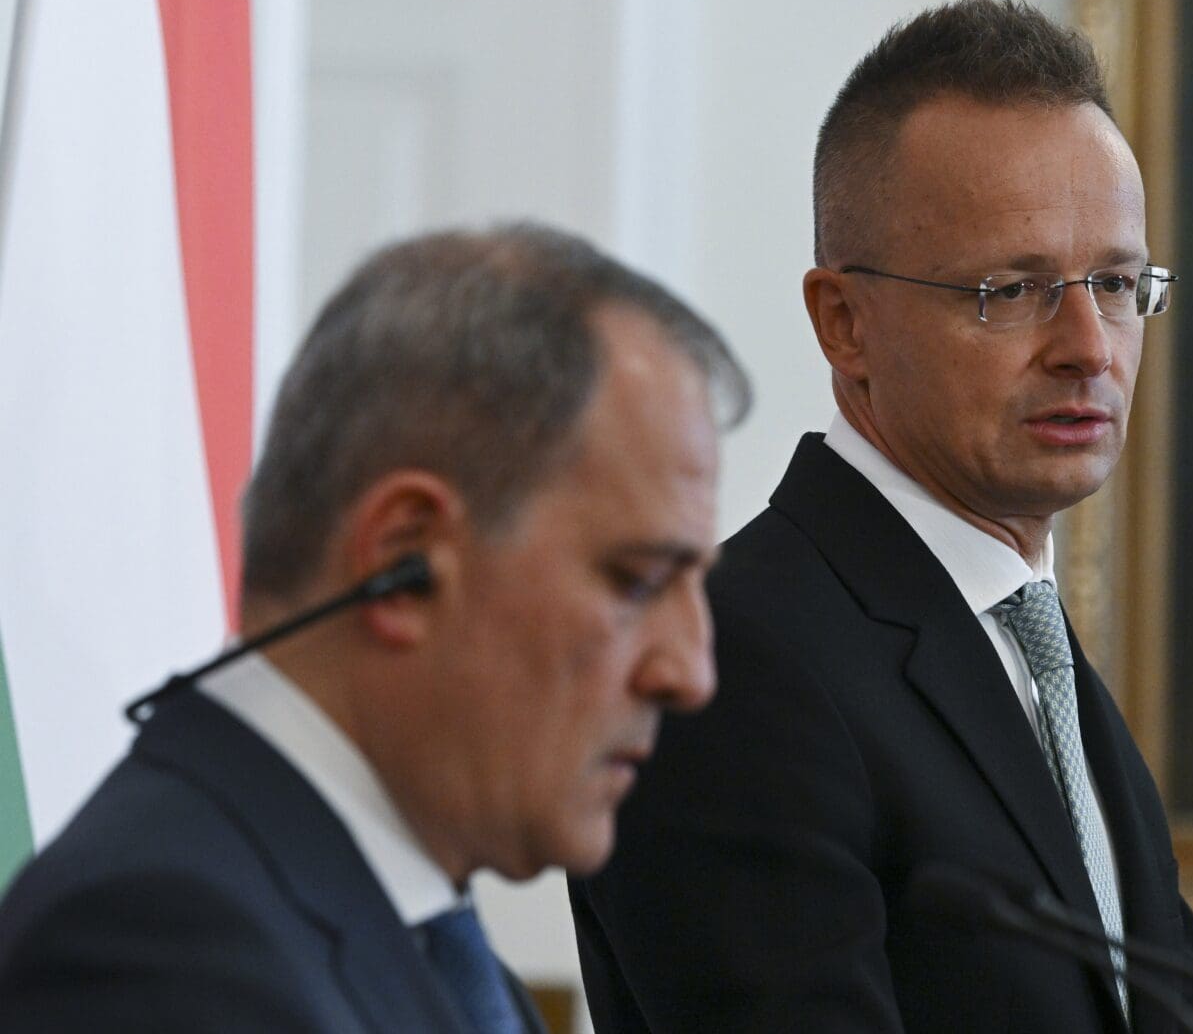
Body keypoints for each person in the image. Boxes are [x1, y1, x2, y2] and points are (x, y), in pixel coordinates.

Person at [572, 0, 1193, 1034]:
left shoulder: (1032, 649)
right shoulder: (730, 663)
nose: (1089, 346)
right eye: (1010, 289)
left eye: (1114, 281)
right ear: (844, 323)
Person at [0, 223, 748, 1032]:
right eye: (636, 582)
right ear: (404, 560)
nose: (690, 672)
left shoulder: (436, 952)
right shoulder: (154, 950)